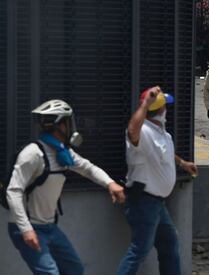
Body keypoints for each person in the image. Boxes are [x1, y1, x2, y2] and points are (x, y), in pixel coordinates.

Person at [6, 99, 125, 275]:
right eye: (68, 122)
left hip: (50, 227)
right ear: (60, 125)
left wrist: (110, 183)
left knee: (74, 270)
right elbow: (13, 191)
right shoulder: (32, 154)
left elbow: (88, 168)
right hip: (27, 227)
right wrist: (26, 230)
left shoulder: (63, 152)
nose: (71, 127)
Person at [117, 86, 198, 275]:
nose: (167, 110)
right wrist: (146, 104)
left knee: (169, 243)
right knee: (139, 250)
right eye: (165, 107)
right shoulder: (143, 131)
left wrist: (183, 163)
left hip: (157, 203)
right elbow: (132, 131)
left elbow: (166, 154)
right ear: (160, 110)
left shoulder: (161, 133)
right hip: (143, 201)